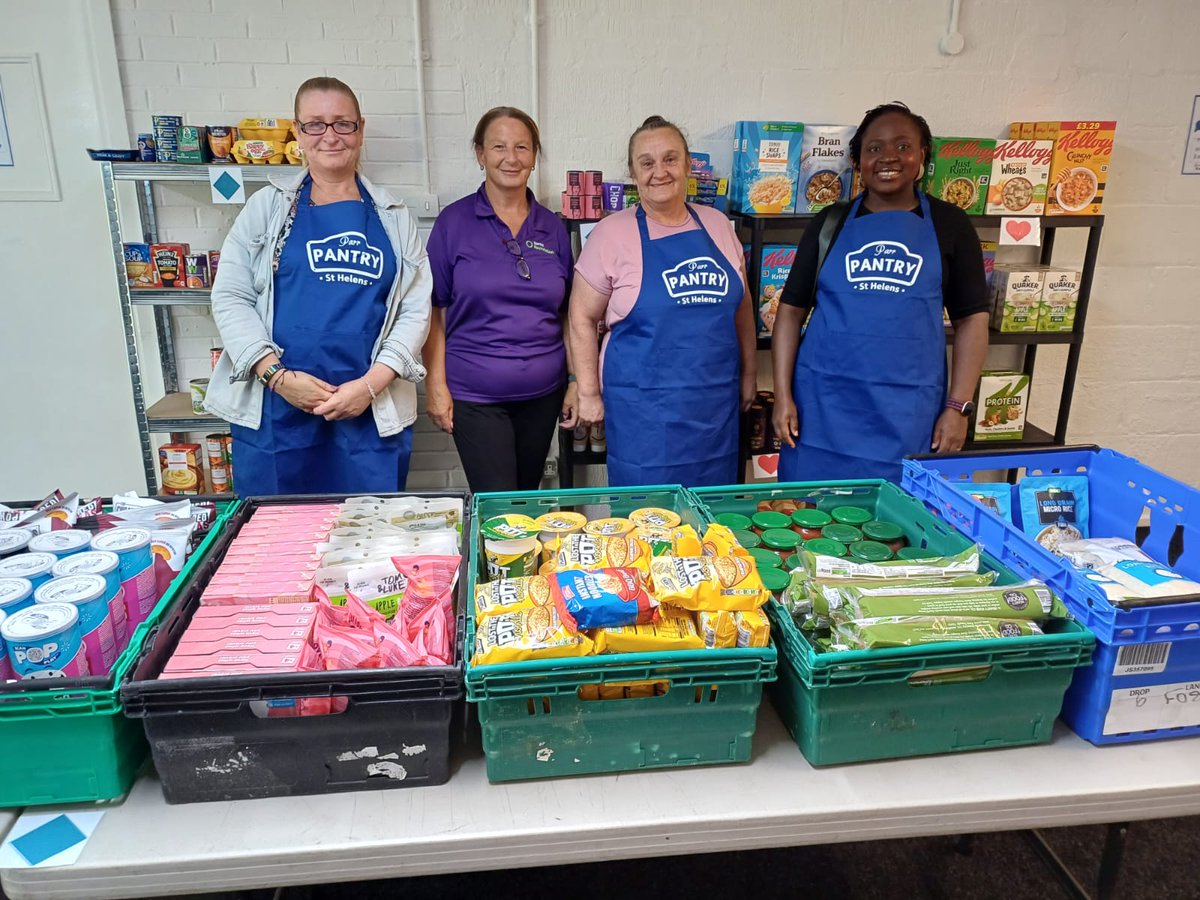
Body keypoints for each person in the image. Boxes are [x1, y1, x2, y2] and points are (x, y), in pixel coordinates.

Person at [206, 76, 431, 495]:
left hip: (368, 411)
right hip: (278, 412)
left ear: (360, 129)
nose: (330, 136)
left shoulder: (394, 216)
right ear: (297, 131)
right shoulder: (267, 208)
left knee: (366, 542)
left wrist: (369, 386)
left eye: (342, 124)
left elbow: (415, 311)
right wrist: (277, 377)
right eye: (316, 124)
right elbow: (231, 296)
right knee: (276, 543)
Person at [771, 102, 990, 483]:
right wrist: (782, 396)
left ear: (922, 155)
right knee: (807, 514)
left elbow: (972, 320)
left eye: (903, 146)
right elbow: (789, 312)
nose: (888, 157)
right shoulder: (829, 223)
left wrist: (959, 407)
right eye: (874, 148)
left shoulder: (950, 225)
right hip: (821, 412)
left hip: (908, 414)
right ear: (858, 161)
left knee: (898, 525)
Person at [569, 116, 757, 488]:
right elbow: (580, 318)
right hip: (644, 414)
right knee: (645, 518)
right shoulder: (611, 234)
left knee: (711, 520)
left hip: (713, 406)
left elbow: (743, 311)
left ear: (688, 165)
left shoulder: (718, 225)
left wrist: (749, 374)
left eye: (670, 159)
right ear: (633, 172)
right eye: (647, 162)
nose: (660, 172)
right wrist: (588, 391)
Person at [423, 107, 575, 492]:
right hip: (475, 395)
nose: (512, 157)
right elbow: (433, 311)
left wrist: (574, 380)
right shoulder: (453, 223)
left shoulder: (553, 228)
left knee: (526, 500)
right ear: (480, 154)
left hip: (543, 395)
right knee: (500, 508)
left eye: (522, 147)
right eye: (499, 146)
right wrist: (436, 387)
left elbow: (567, 314)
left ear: (535, 155)